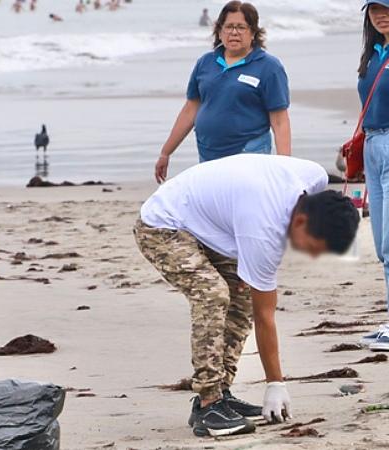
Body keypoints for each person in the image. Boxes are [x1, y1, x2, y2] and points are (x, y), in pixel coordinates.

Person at [135, 155, 360, 437]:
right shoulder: (263, 232)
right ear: (301, 221)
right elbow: (265, 315)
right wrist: (275, 384)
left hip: (211, 220)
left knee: (239, 300)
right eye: (315, 246)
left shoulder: (315, 177)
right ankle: (208, 405)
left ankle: (222, 392)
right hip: (163, 223)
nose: (313, 255)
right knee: (213, 295)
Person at [154, 1, 291, 183]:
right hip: (208, 154)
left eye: (241, 27)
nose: (234, 32)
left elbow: (280, 121)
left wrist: (286, 168)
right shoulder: (205, 63)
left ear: (253, 33)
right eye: (228, 27)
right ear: (219, 32)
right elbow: (190, 109)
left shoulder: (269, 67)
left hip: (249, 152)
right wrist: (166, 152)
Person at [358, 0, 389, 351]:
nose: (381, 14)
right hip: (372, 145)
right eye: (374, 8)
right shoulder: (374, 52)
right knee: (382, 246)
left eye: (387, 8)